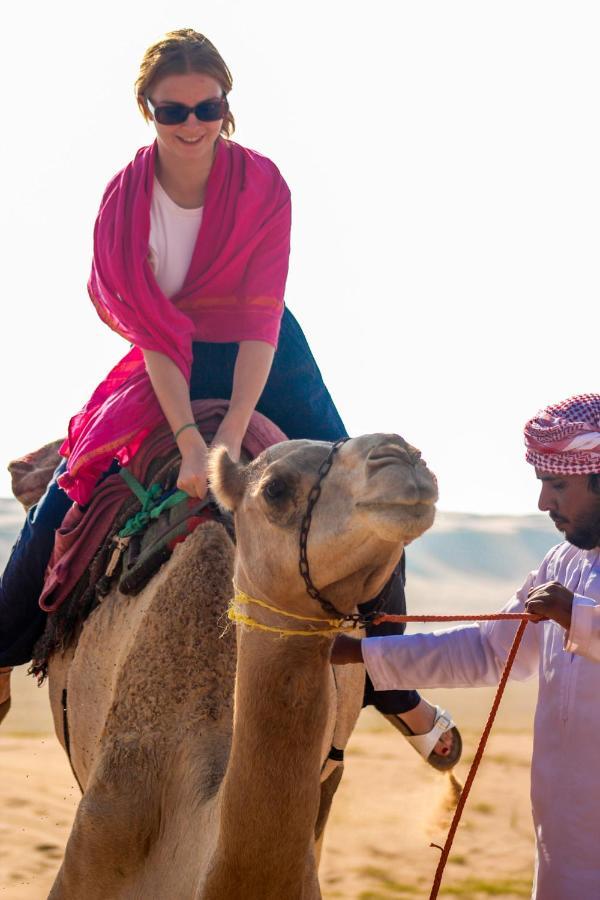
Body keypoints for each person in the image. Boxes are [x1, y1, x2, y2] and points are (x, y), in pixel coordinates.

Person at [0, 29, 459, 767]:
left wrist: (231, 444)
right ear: (146, 109)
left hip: (266, 349)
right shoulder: (126, 201)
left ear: (227, 105)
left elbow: (257, 318)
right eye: (171, 110)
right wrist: (187, 441)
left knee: (363, 488)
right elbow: (152, 327)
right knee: (72, 484)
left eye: (206, 107)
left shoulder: (263, 186)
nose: (191, 124)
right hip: (168, 353)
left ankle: (391, 681)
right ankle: (4, 642)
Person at [332, 393, 600, 900]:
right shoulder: (560, 564)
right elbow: (485, 651)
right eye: (543, 484)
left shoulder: (566, 592)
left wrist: (579, 618)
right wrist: (360, 654)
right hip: (562, 849)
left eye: (558, 484)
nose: (545, 503)